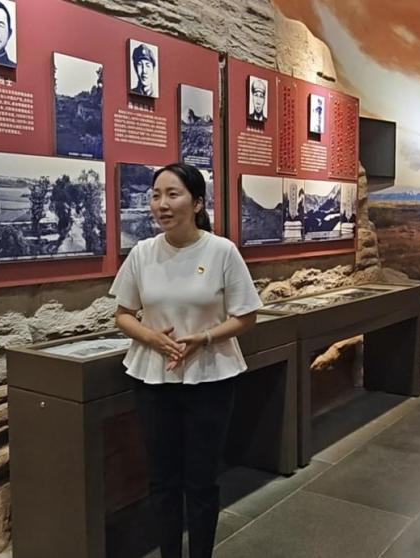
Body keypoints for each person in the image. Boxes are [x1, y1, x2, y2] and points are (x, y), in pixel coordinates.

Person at [110, 163, 262, 558]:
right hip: (153, 379)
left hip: (210, 378)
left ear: (196, 203)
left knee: (201, 481)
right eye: (156, 195)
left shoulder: (221, 251)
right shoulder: (143, 253)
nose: (162, 204)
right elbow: (123, 314)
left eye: (172, 194)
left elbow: (246, 316)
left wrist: (204, 338)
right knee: (162, 481)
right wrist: (154, 339)